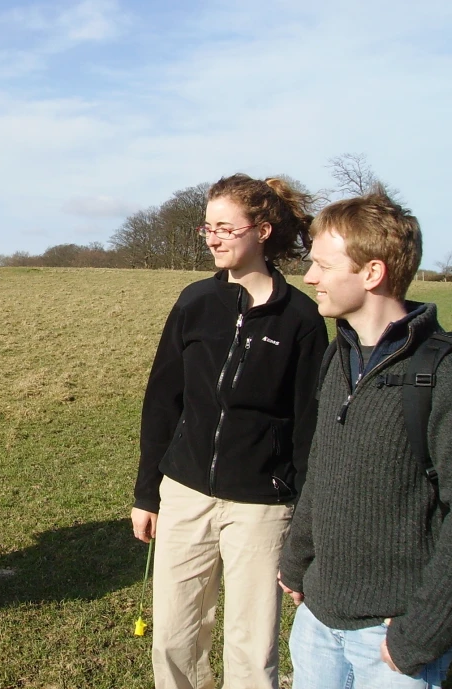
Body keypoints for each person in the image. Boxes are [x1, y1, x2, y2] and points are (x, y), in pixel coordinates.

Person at [278, 188, 452, 689]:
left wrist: (422, 635)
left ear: (372, 273)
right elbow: (322, 470)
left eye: (323, 265)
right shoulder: (338, 356)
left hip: (391, 642)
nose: (310, 277)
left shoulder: (449, 376)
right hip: (318, 622)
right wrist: (297, 566)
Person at [131, 173, 328, 689]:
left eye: (224, 227)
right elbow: (162, 403)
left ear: (261, 230)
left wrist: (304, 516)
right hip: (185, 491)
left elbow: (308, 426)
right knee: (173, 636)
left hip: (262, 506)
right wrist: (147, 493)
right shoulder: (194, 301)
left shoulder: (302, 319)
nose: (212, 238)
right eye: (207, 228)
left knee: (251, 642)